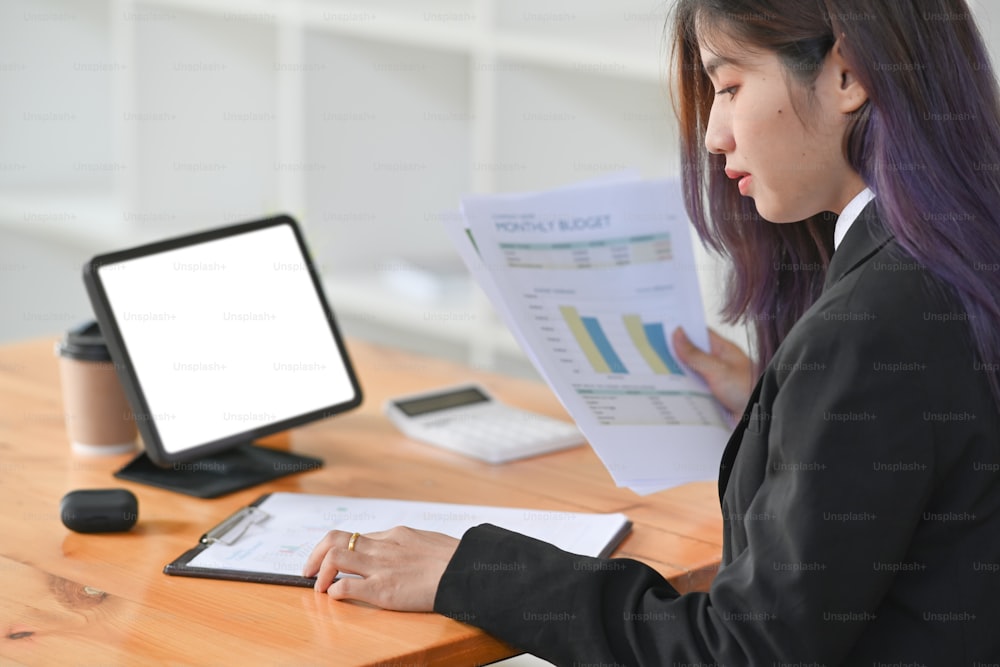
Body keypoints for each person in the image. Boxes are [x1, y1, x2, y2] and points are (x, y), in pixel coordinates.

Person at [304, 0, 1000, 663]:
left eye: (728, 86)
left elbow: (738, 651)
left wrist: (466, 569)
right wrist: (779, 410)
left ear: (848, 75)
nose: (712, 135)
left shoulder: (870, 328)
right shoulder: (951, 264)